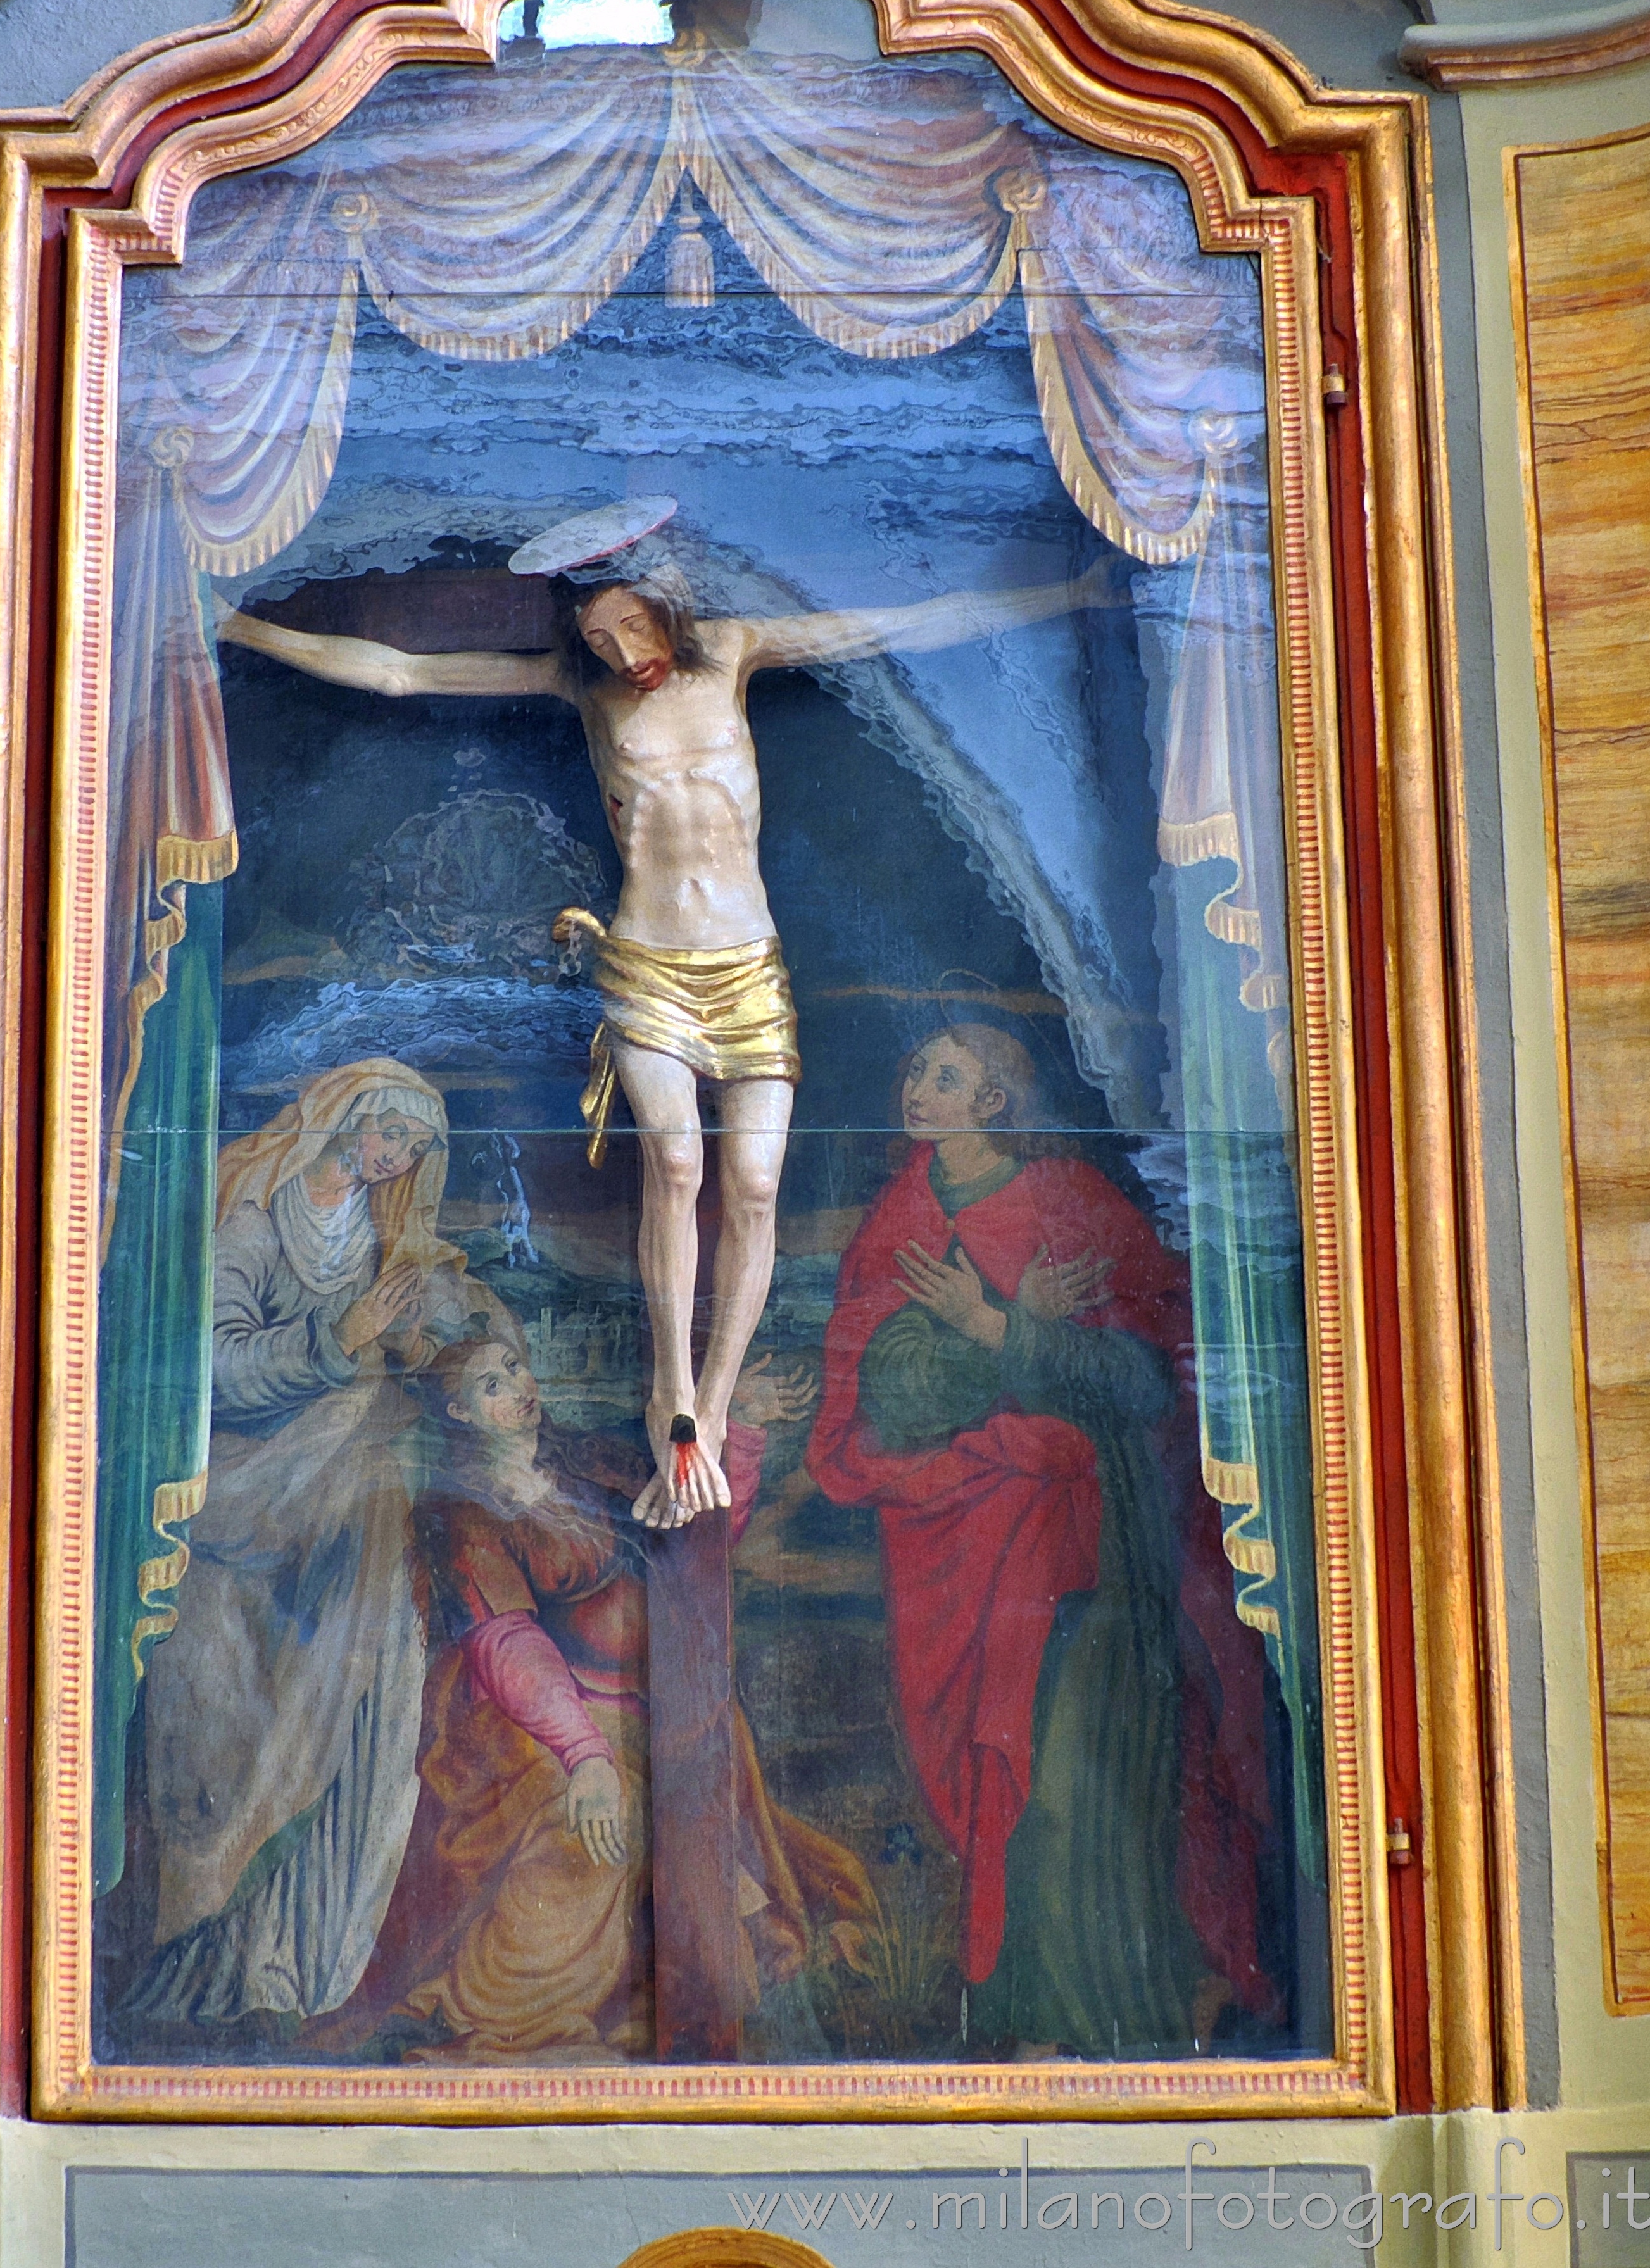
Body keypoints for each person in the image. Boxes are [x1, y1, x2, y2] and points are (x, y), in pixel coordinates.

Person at [218, 498, 1121, 1531]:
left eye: (630, 628)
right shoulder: (582, 690)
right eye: (598, 640)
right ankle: (671, 1395)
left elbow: (889, 628)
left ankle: (717, 1397)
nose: (618, 651)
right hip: (648, 966)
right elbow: (400, 672)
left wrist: (1061, 594)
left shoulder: (730, 651)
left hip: (747, 973)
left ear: (666, 604)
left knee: (756, 1180)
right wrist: (243, 627)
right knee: (679, 1162)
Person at [807, 1024, 1276, 2058]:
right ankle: (1027, 2038)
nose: (916, 1086)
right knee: (1002, 1805)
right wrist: (991, 1342)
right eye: (914, 1066)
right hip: (960, 1545)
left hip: (1084, 1552)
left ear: (995, 1101)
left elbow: (1147, 1380)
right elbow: (884, 1401)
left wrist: (1002, 1331)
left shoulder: (1069, 1204)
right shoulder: (896, 1225)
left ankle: (1113, 2034)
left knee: (1075, 1792)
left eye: (945, 1074)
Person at [306, 1334, 875, 2062]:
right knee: (606, 1807)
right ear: (459, 1411)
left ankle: (702, 1979)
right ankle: (505, 2012)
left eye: (515, 1364)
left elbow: (700, 1542)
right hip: (526, 1720)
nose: (517, 1383)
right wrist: (586, 1755)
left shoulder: (591, 1465)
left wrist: (741, 1435)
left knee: (706, 1753)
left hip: (641, 1699)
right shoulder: (467, 1511)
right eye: (490, 1382)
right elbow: (508, 1645)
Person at [127, 1058, 515, 2027]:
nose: (394, 1159)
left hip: (343, 1516)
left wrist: (439, 1336)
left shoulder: (393, 1241)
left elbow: (459, 1326)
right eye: (386, 1134)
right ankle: (215, 1954)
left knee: (360, 1675)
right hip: (243, 1503)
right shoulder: (255, 1226)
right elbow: (211, 1369)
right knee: (221, 1727)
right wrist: (340, 1342)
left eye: (414, 1150)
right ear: (341, 1118)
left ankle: (300, 1956)